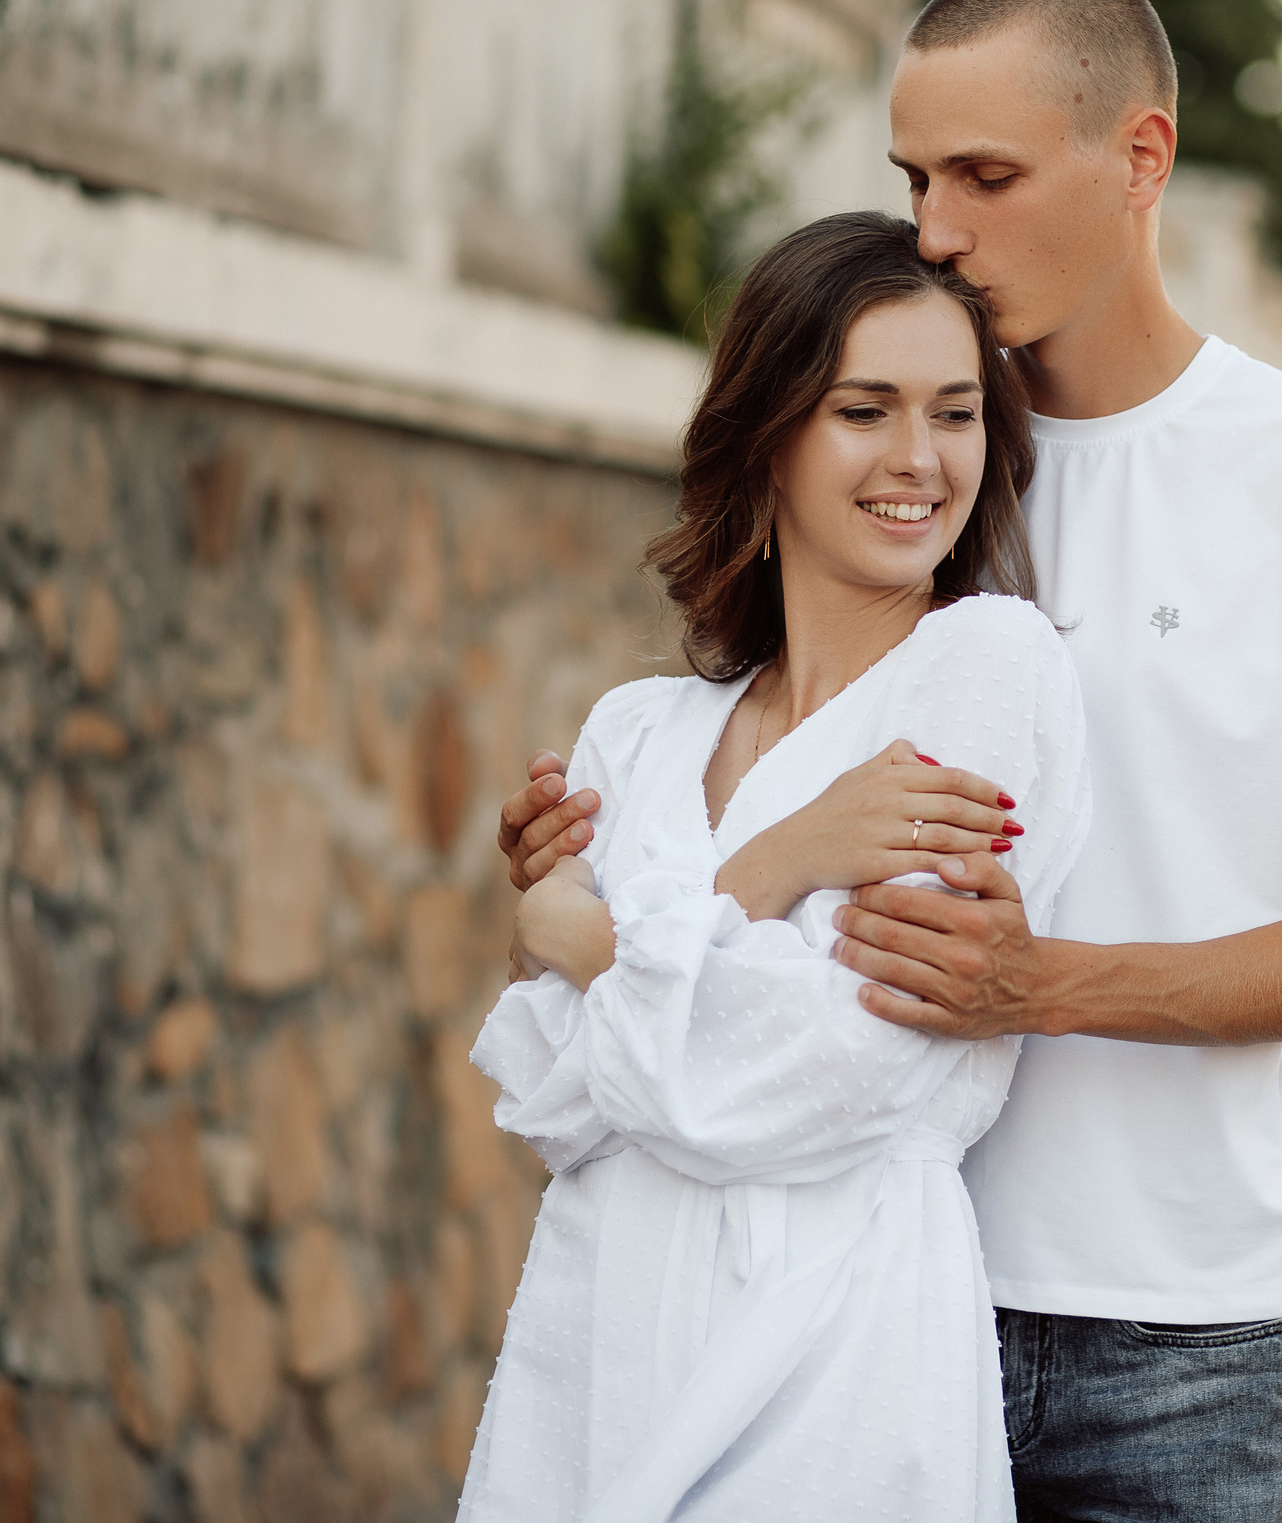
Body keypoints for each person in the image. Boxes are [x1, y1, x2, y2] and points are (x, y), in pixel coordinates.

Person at [502, 0, 1282, 1520]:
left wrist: (1045, 989)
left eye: (986, 175)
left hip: (1186, 1329)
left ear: (1140, 160)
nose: (937, 229)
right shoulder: (924, 446)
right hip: (876, 1280)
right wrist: (612, 864)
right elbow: (756, 735)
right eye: (914, 178)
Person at [459, 212, 1091, 1522]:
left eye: (956, 413)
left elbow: (834, 1065)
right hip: (602, 1348)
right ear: (772, 434)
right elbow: (549, 1098)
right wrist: (770, 871)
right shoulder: (637, 733)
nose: (919, 459)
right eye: (865, 409)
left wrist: (578, 938)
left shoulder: (988, 668)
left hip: (833, 1366)